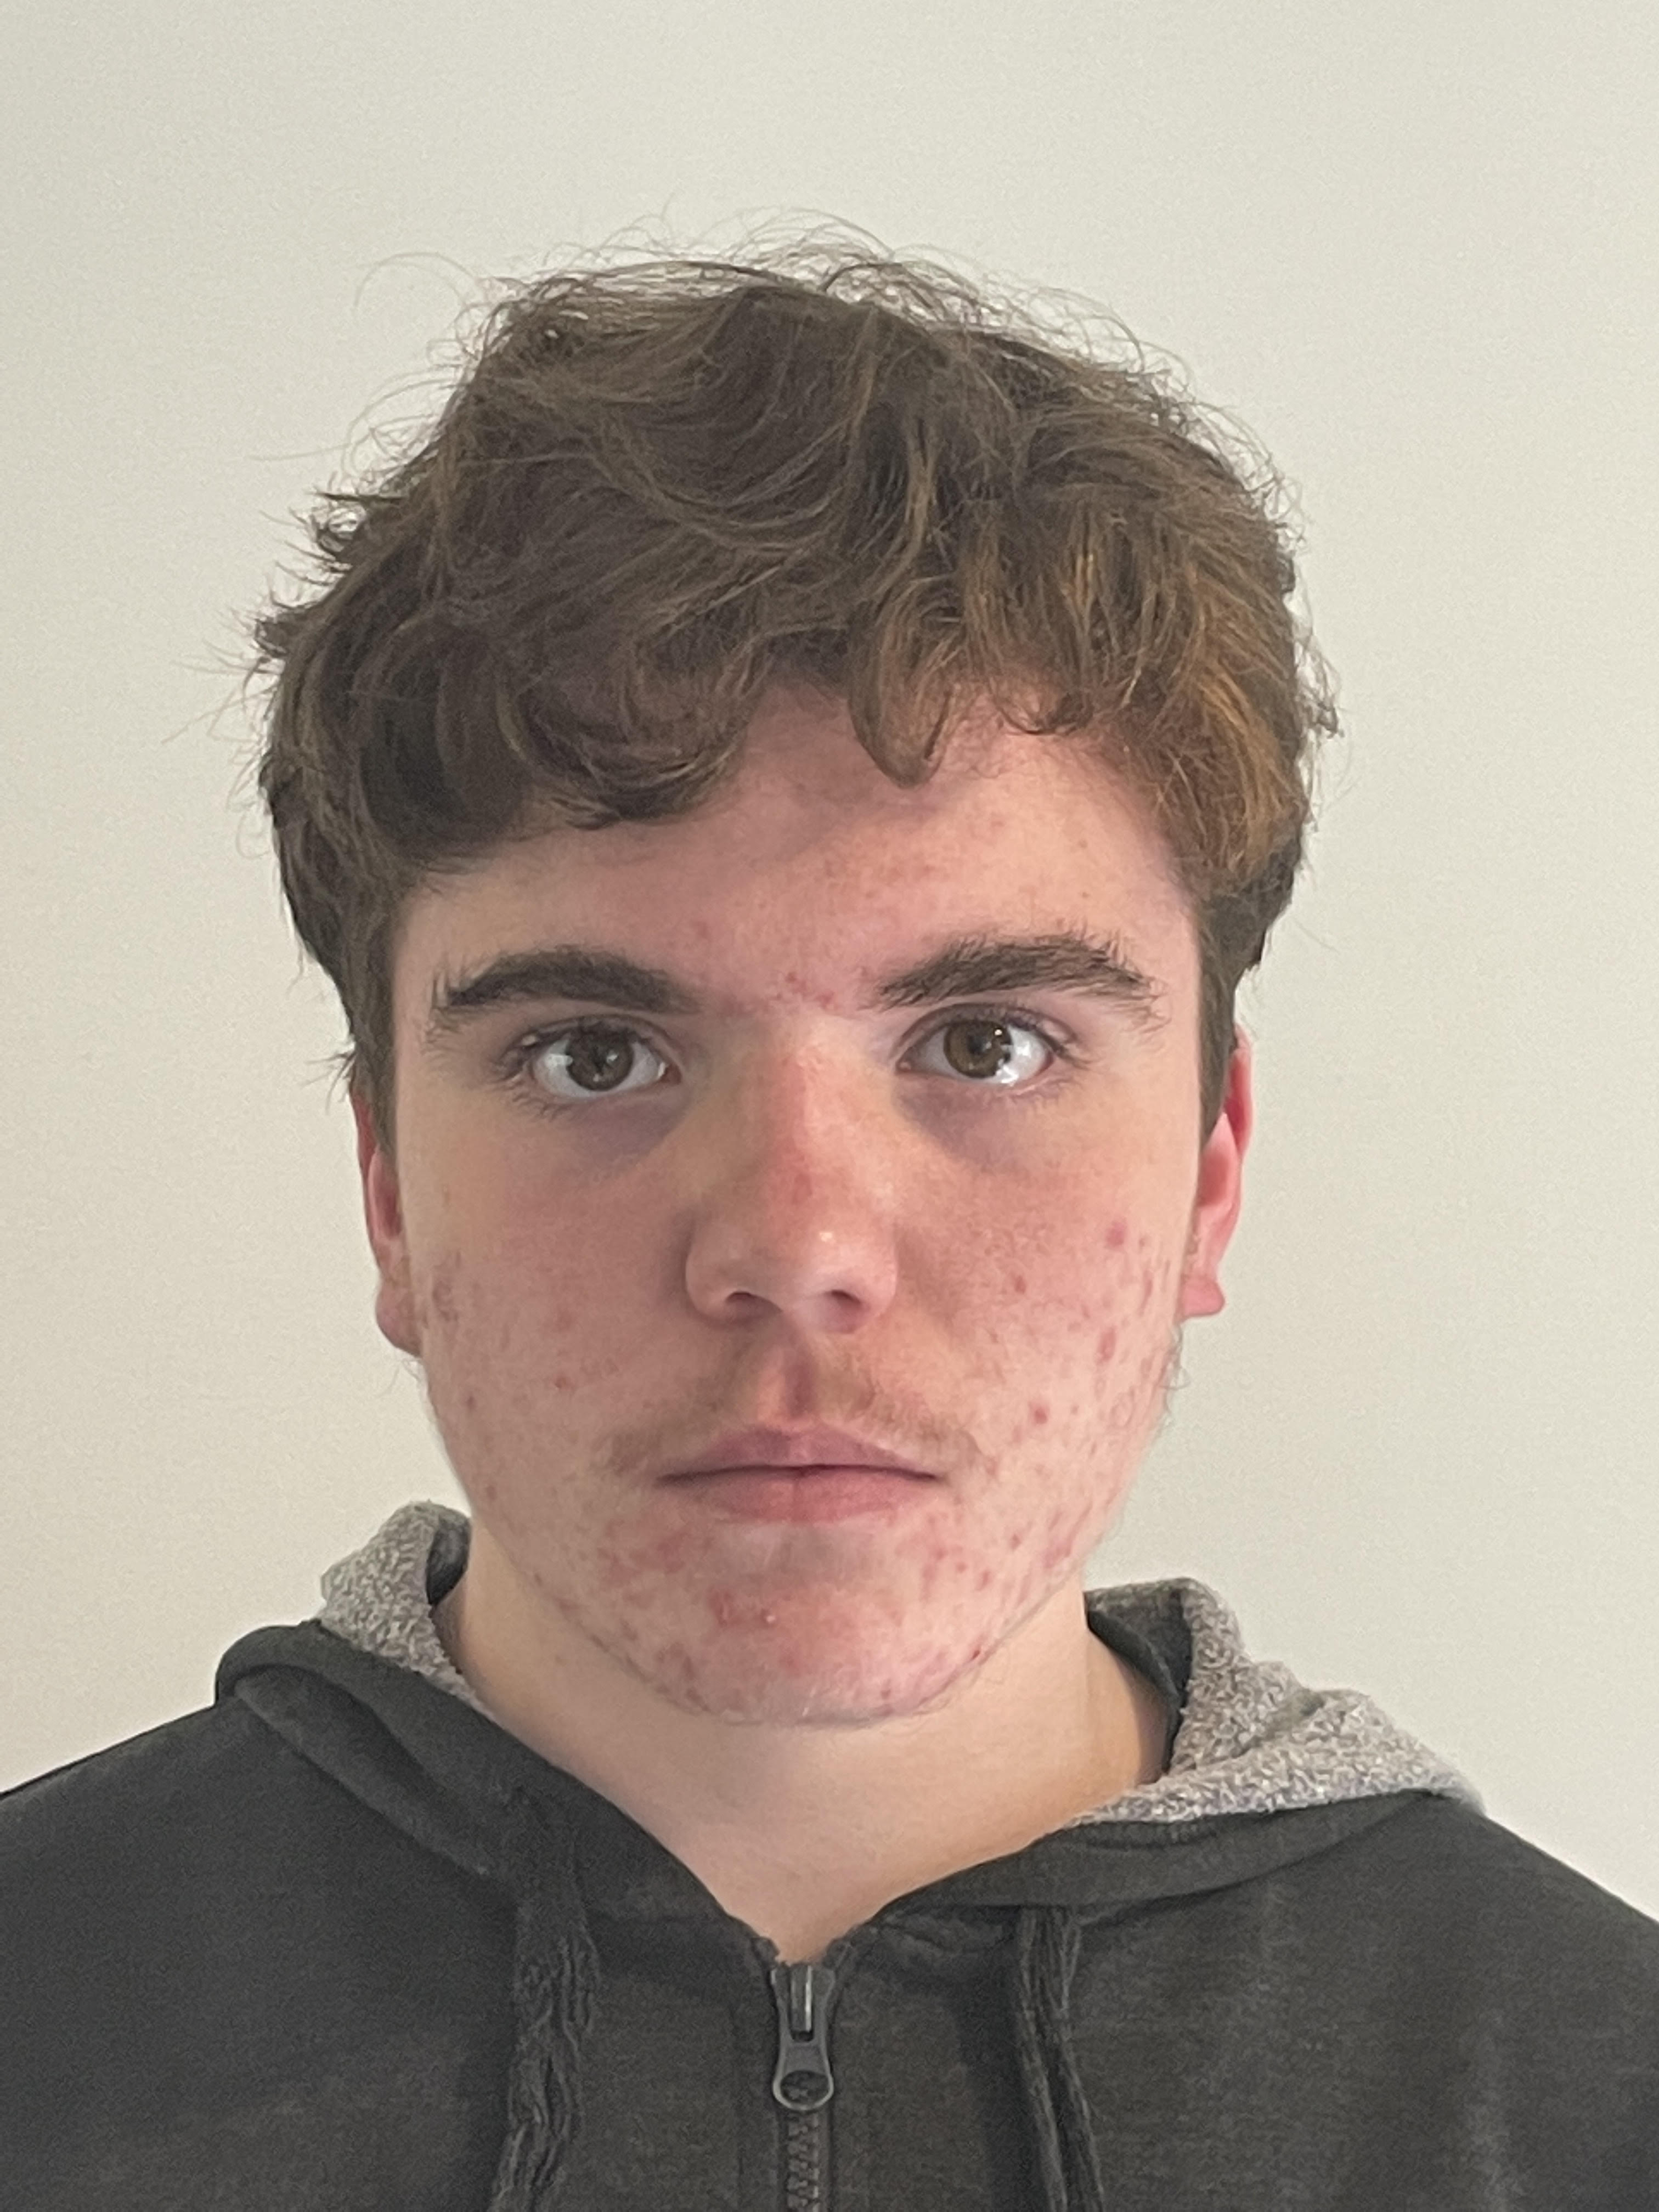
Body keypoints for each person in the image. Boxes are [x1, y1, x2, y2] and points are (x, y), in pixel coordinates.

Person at [4, 245, 1655, 2211]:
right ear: (386, 1184)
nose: (796, 1247)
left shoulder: (1596, 2103)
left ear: (1213, 1165)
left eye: (984, 1042)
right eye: (596, 1056)